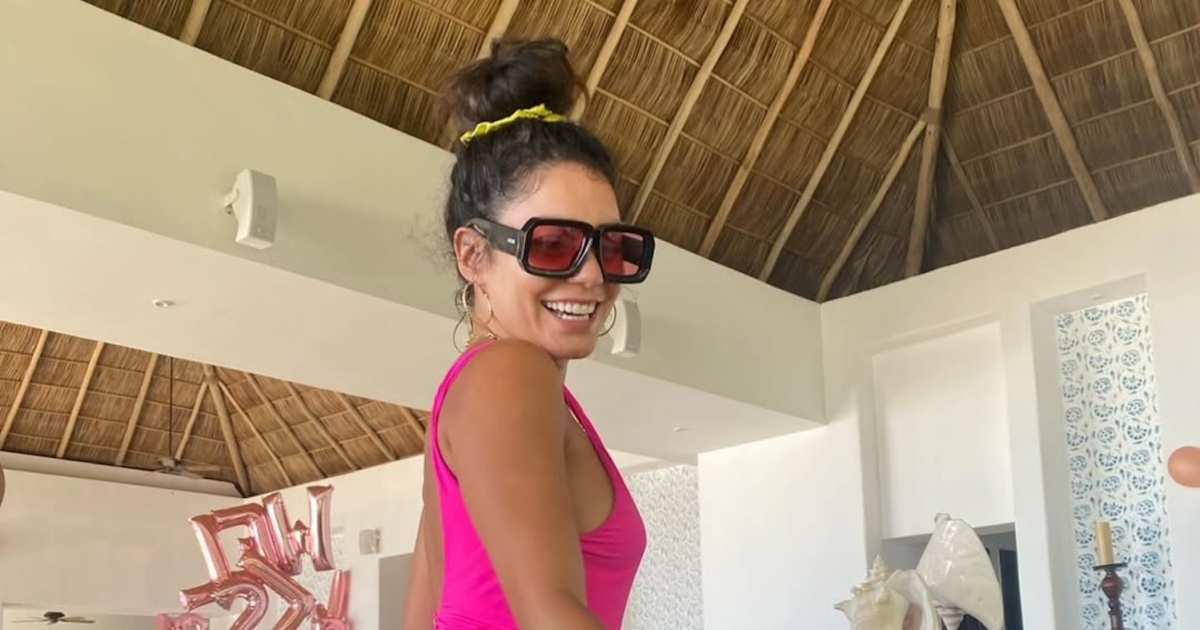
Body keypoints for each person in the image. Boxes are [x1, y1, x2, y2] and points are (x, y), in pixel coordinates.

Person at [401, 38, 656, 630]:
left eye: (613, 248)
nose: (593, 276)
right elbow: (551, 616)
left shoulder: (491, 391)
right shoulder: (508, 373)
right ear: (473, 254)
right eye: (554, 244)